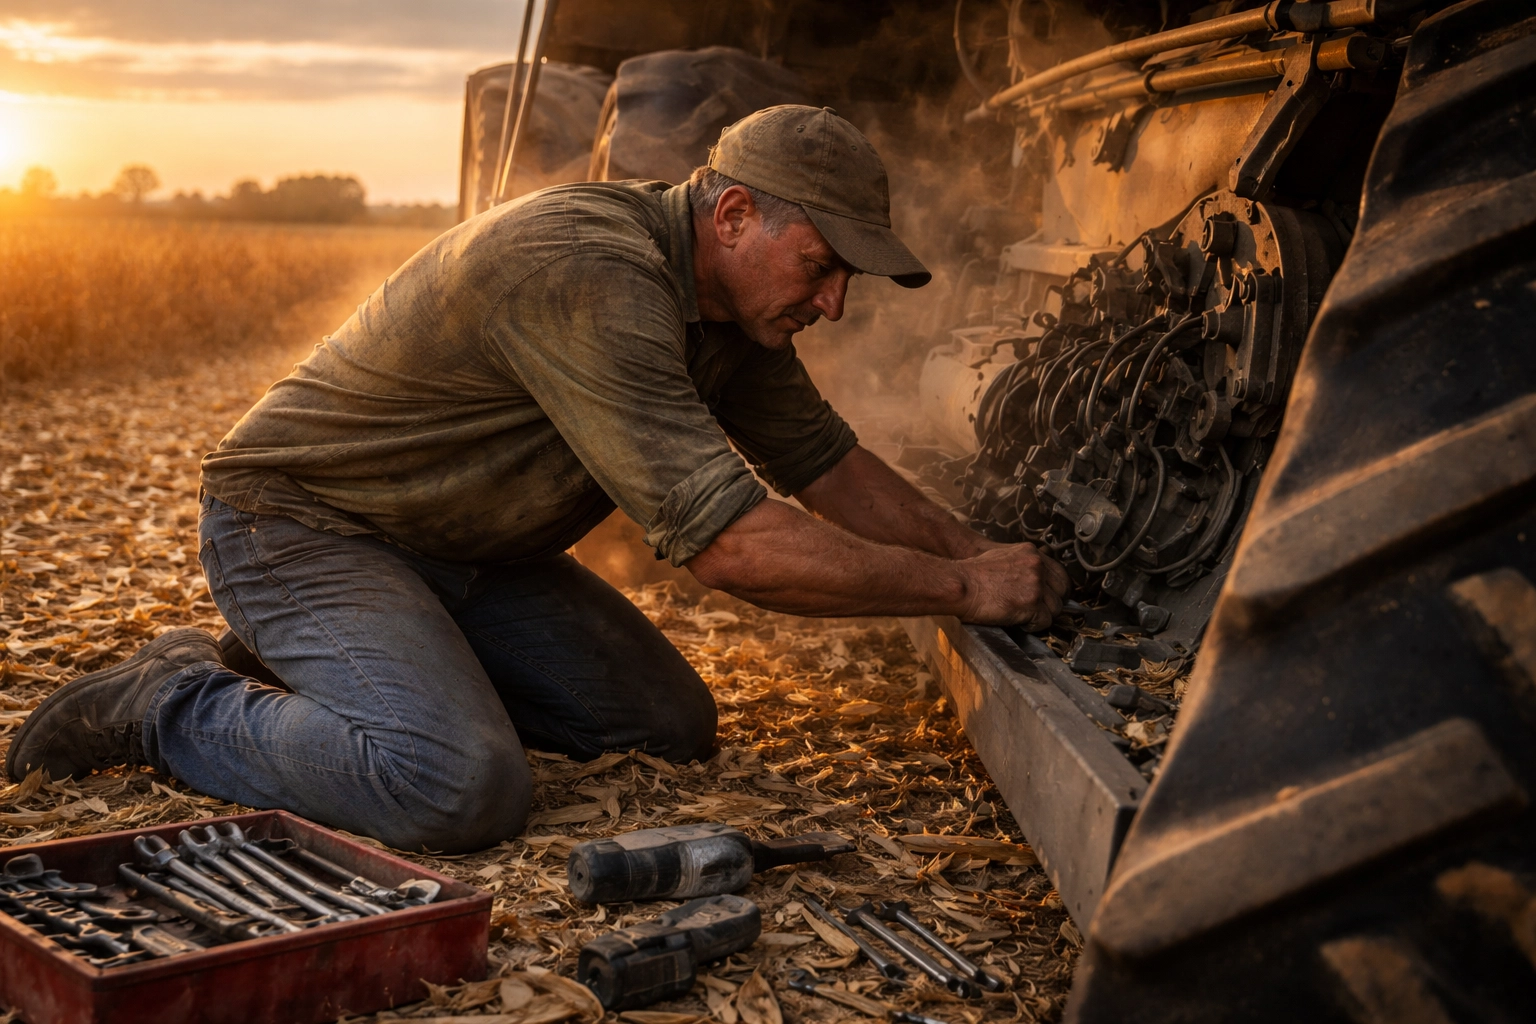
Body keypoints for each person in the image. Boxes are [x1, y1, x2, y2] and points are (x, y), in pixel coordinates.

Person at [8, 106, 1067, 852]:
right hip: (300, 527)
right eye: (823, 266)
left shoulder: (734, 317)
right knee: (456, 786)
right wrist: (966, 593)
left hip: (462, 554)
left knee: (667, 725)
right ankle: (168, 700)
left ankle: (332, 673)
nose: (834, 304)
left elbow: (827, 468)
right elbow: (734, 547)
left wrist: (975, 551)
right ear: (736, 215)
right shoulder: (592, 271)